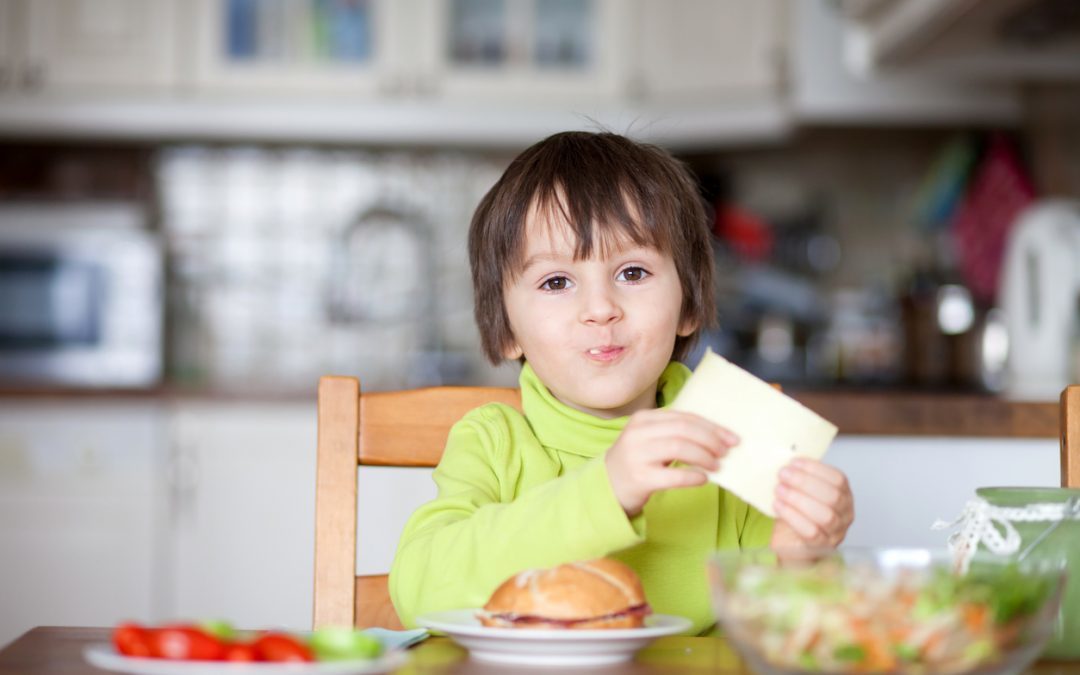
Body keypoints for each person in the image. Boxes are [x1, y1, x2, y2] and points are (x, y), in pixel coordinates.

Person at [388, 131, 855, 635]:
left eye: (632, 273)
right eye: (556, 282)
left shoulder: (732, 433)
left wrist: (803, 559)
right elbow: (417, 592)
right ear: (506, 331)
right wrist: (606, 490)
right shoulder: (493, 441)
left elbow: (802, 639)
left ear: (690, 305)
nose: (600, 309)